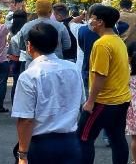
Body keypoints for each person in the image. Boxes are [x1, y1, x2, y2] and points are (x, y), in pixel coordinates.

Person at [12, 22, 83, 164]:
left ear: (29, 46)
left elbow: (26, 119)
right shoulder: (73, 69)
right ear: (57, 44)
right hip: (70, 141)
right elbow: (81, 102)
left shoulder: (29, 76)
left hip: (41, 144)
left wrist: (23, 154)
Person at [78, 5, 131, 164]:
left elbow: (100, 75)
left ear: (100, 22)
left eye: (92, 18)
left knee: (83, 137)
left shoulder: (102, 44)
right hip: (121, 99)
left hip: (103, 101)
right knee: (117, 139)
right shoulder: (117, 40)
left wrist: (90, 101)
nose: (90, 21)